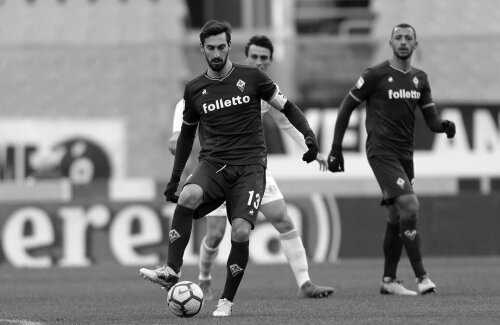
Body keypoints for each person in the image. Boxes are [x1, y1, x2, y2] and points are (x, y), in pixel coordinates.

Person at [140, 20, 320, 317]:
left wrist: (309, 136)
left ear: (229, 46)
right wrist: (175, 179)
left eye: (221, 47)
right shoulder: (195, 89)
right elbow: (186, 136)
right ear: (202, 49)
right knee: (187, 197)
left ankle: (226, 301)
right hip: (214, 163)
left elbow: (287, 107)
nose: (216, 53)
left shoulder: (252, 78)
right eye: (210, 48)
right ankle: (171, 270)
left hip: (250, 166)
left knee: (239, 231)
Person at [327, 23, 456, 295]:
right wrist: (336, 149)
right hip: (381, 151)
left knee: (395, 214)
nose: (403, 42)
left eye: (409, 38)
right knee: (410, 205)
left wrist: (444, 126)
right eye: (398, 38)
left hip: (404, 155)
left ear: (415, 45)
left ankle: (389, 281)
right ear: (390, 43)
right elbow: (346, 107)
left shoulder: (420, 78)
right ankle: (422, 278)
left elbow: (431, 120)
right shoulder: (375, 75)